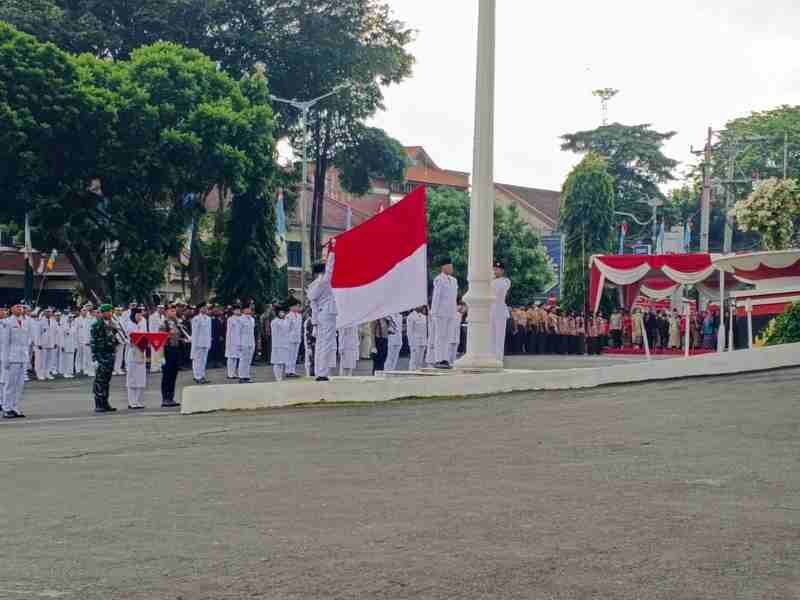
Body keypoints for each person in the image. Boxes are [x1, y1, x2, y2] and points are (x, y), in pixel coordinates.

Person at [307, 254, 337, 382]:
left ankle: (320, 371)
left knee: (320, 344)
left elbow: (313, 306)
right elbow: (331, 267)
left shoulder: (312, 286)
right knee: (327, 344)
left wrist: (314, 324)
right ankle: (322, 373)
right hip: (328, 314)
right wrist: (332, 253)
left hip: (319, 315)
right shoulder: (323, 281)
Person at [2, 303, 31, 418]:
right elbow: (5, 343)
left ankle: (14, 407)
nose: (20, 309)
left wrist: (27, 357)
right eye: (17, 307)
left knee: (19, 385)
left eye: (21, 307)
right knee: (10, 384)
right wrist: (5, 360)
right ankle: (6, 408)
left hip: (23, 357)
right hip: (12, 358)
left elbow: (27, 340)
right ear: (11, 309)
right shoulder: (7, 322)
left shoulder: (25, 322)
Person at [90, 304, 119, 413]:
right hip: (101, 356)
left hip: (110, 355)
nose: (111, 313)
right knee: (99, 381)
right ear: (103, 313)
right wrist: (95, 358)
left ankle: (105, 403)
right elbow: (93, 342)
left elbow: (113, 339)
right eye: (108, 311)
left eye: (111, 311)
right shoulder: (97, 325)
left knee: (107, 380)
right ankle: (98, 404)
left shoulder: (111, 324)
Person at [431, 257, 458, 369]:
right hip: (441, 312)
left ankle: (445, 358)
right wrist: (434, 312)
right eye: (449, 266)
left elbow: (454, 298)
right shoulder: (439, 279)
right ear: (444, 267)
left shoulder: (454, 280)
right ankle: (438, 359)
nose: (451, 268)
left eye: (451, 266)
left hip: (451, 312)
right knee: (440, 336)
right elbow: (436, 297)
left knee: (448, 337)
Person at [159, 305, 182, 407]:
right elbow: (160, 338)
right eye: (171, 311)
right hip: (167, 350)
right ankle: (165, 398)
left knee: (173, 374)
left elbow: (179, 335)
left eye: (174, 311)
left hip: (176, 349)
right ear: (166, 312)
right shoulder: (164, 323)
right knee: (167, 375)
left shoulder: (177, 323)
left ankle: (171, 397)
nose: (174, 313)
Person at [125, 308, 148, 409]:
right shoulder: (129, 325)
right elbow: (130, 338)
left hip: (141, 352)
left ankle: (139, 401)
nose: (140, 317)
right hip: (133, 351)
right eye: (138, 315)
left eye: (141, 315)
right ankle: (132, 402)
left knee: (141, 377)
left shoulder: (143, 323)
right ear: (133, 315)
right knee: (132, 377)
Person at [490, 261, 511, 362]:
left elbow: (497, 291)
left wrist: (491, 280)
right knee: (491, 335)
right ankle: (491, 357)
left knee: (499, 336)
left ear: (502, 271)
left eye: (497, 269)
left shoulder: (505, 281)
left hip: (500, 310)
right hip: (491, 310)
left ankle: (498, 358)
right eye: (494, 268)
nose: (495, 271)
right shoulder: (490, 280)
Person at [190, 303, 212, 384]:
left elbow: (209, 332)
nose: (205, 309)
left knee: (203, 360)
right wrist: (194, 345)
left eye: (206, 307)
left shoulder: (208, 319)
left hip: (205, 343)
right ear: (200, 309)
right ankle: (197, 377)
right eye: (203, 308)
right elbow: (195, 333)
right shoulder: (196, 319)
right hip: (198, 343)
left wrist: (209, 343)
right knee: (197, 360)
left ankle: (202, 376)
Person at [237, 306, 257, 383]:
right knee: (243, 360)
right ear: (243, 310)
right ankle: (241, 377)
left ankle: (246, 376)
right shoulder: (240, 319)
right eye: (247, 308)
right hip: (243, 342)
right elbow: (238, 333)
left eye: (250, 309)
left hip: (251, 341)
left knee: (248, 360)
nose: (249, 310)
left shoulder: (252, 319)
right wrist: (239, 344)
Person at [270, 307, 290, 381]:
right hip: (277, 344)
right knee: (277, 362)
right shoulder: (274, 322)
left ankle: (280, 377)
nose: (283, 314)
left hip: (285, 344)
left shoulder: (285, 321)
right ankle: (277, 377)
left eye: (283, 312)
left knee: (282, 362)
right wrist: (276, 344)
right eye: (281, 312)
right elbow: (274, 334)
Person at [285, 301, 303, 378]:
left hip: (297, 337)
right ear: (291, 307)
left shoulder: (299, 316)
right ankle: (288, 371)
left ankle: (293, 370)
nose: (297, 307)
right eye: (296, 306)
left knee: (294, 355)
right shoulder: (288, 316)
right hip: (290, 338)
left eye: (298, 306)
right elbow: (286, 328)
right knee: (289, 355)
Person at [406, 306, 428, 371]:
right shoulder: (411, 316)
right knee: (414, 359)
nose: (420, 306)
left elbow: (425, 331)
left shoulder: (423, 317)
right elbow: (409, 331)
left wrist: (425, 341)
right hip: (415, 341)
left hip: (423, 341)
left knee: (420, 360)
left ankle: (418, 373)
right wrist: (411, 343)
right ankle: (411, 373)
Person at [58, 313, 77, 379]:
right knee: (65, 359)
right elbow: (61, 336)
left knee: (71, 359)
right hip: (65, 344)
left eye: (71, 317)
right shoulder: (63, 326)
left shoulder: (74, 326)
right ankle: (65, 372)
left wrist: (75, 346)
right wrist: (62, 345)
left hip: (72, 345)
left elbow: (75, 337)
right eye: (69, 317)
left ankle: (69, 372)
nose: (70, 319)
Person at [225, 307, 241, 379]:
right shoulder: (230, 319)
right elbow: (228, 332)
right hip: (231, 341)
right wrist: (228, 342)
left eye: (239, 310)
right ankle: (229, 374)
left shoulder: (240, 319)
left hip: (238, 341)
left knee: (236, 357)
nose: (238, 311)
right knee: (231, 358)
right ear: (233, 311)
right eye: (236, 310)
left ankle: (234, 373)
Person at [148, 305, 165, 373]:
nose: (161, 309)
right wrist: (152, 337)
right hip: (155, 336)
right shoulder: (152, 316)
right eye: (160, 308)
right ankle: (154, 367)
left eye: (162, 308)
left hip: (162, 336)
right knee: (154, 352)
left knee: (160, 353)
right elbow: (151, 328)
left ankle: (159, 366)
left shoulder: (163, 317)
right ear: (157, 308)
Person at [112, 307, 127, 376]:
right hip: (116, 339)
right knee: (114, 355)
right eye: (118, 310)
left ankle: (118, 368)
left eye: (120, 310)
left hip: (122, 338)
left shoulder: (122, 318)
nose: (119, 311)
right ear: (114, 311)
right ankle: (114, 369)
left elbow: (124, 329)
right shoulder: (112, 319)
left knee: (120, 355)